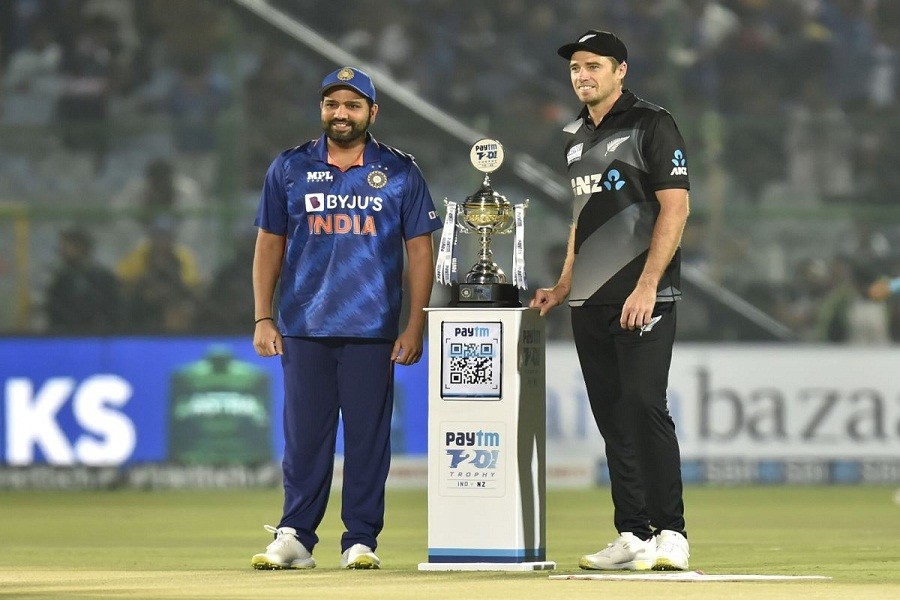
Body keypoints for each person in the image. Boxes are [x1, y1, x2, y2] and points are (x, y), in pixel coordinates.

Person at [250, 66, 441, 570]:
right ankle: (295, 536)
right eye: (332, 104)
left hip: (372, 328)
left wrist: (415, 324)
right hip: (303, 325)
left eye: (352, 105)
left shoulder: (400, 171)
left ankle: (360, 540)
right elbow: (270, 243)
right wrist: (262, 316)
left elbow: (420, 251)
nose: (341, 114)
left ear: (372, 113)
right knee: (305, 439)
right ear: (322, 110)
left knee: (367, 441)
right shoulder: (290, 167)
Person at [530, 31, 691, 571]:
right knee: (613, 420)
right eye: (576, 67)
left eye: (593, 65)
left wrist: (647, 285)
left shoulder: (651, 122)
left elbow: (675, 208)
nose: (582, 75)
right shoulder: (575, 137)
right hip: (590, 302)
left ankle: (672, 532)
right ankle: (633, 534)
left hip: (645, 296)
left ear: (620, 70)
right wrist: (563, 285)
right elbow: (582, 221)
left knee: (646, 408)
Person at [45, 225, 123, 334]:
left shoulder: (104, 279)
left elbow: (114, 312)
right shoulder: (60, 281)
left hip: (98, 339)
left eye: (67, 246)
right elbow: (54, 314)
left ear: (81, 248)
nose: (62, 251)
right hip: (68, 339)